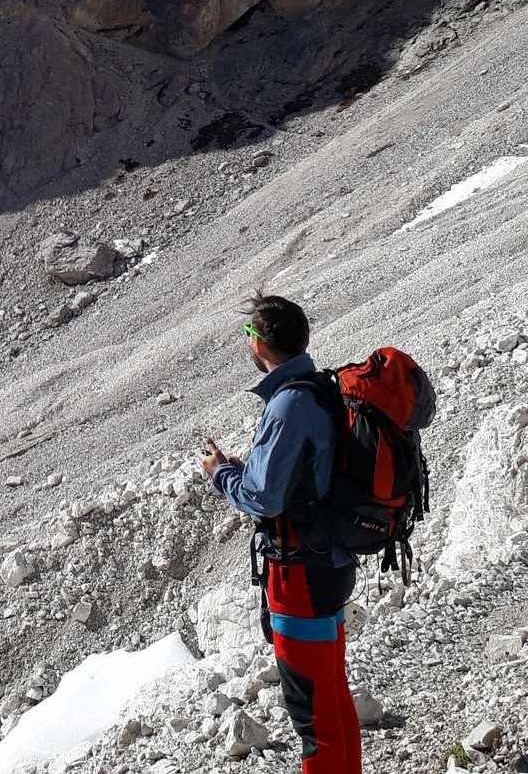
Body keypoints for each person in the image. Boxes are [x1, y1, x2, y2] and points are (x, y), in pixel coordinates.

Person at [200, 294, 361, 774]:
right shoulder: (318, 389)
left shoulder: (288, 404)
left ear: (258, 344)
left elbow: (264, 498)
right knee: (332, 696)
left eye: (249, 335)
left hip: (299, 575)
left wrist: (220, 474)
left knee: (312, 716)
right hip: (332, 563)